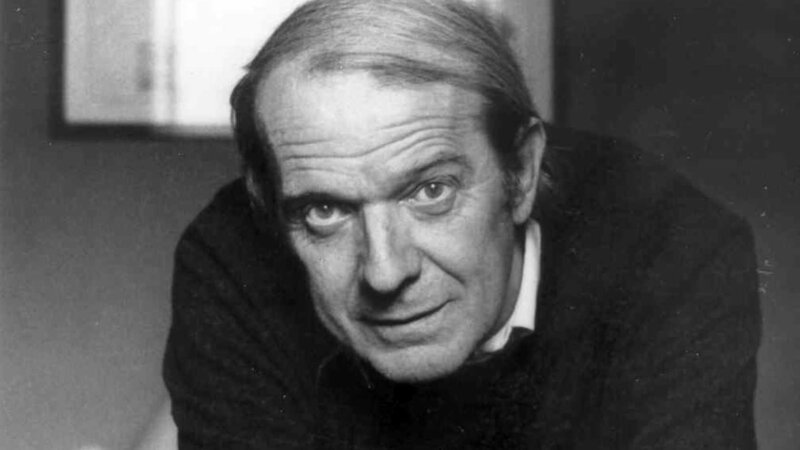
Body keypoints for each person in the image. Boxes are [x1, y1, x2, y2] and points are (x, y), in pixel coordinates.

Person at [163, 0, 761, 448]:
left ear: (521, 173)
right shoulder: (230, 260)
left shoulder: (673, 253)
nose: (385, 271)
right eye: (326, 211)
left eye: (431, 191)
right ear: (271, 205)